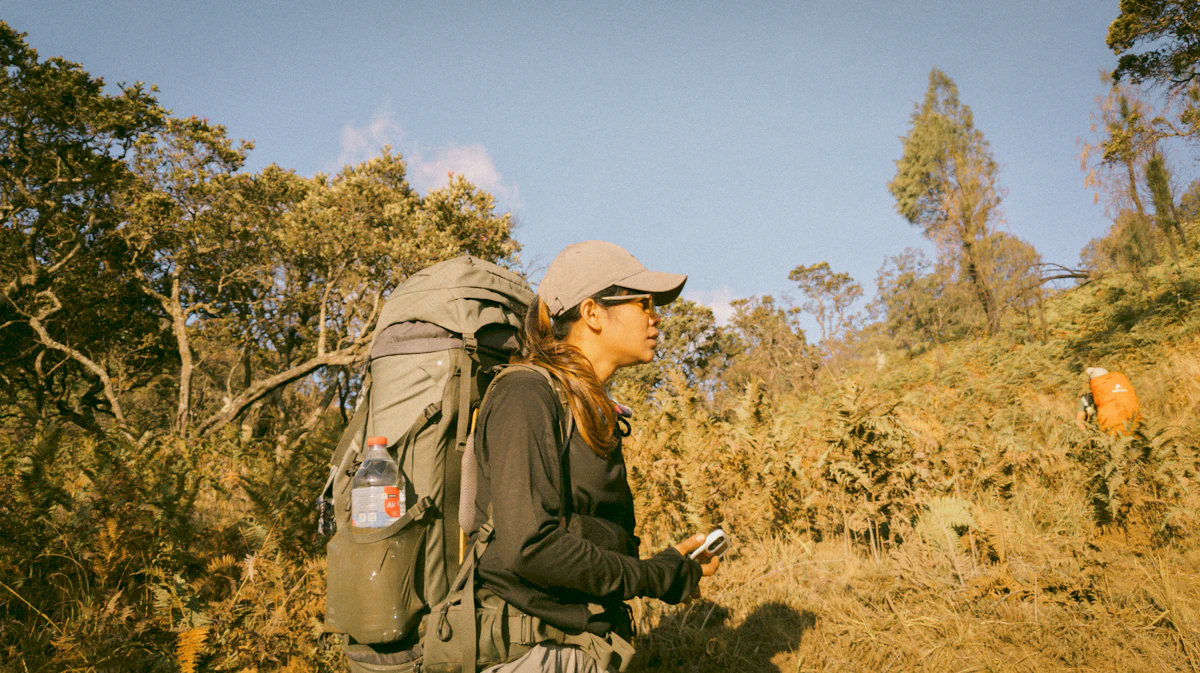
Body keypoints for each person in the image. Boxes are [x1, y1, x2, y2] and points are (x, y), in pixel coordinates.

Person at [470, 240, 721, 673]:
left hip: (581, 648)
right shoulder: (525, 393)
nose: (655, 317)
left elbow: (585, 539)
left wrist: (664, 566)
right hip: (534, 654)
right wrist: (654, 577)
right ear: (592, 313)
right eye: (643, 303)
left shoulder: (585, 406)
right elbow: (531, 547)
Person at [1077, 366, 1142, 435]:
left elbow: (1078, 421)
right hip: (1127, 432)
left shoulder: (1086, 399)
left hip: (1104, 435)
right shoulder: (1122, 392)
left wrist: (1087, 436)